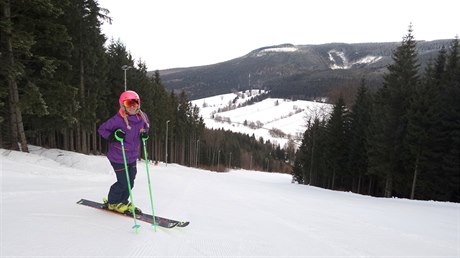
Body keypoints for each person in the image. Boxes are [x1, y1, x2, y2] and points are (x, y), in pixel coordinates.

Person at [98, 90, 150, 213]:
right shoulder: (118, 120)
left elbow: (146, 128)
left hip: (132, 156)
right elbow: (102, 130)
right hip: (118, 157)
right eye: (128, 103)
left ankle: (122, 201)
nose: (132, 106)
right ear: (123, 105)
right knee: (123, 182)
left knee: (130, 182)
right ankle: (113, 202)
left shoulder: (142, 117)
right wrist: (114, 136)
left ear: (139, 103)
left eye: (135, 103)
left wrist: (144, 135)